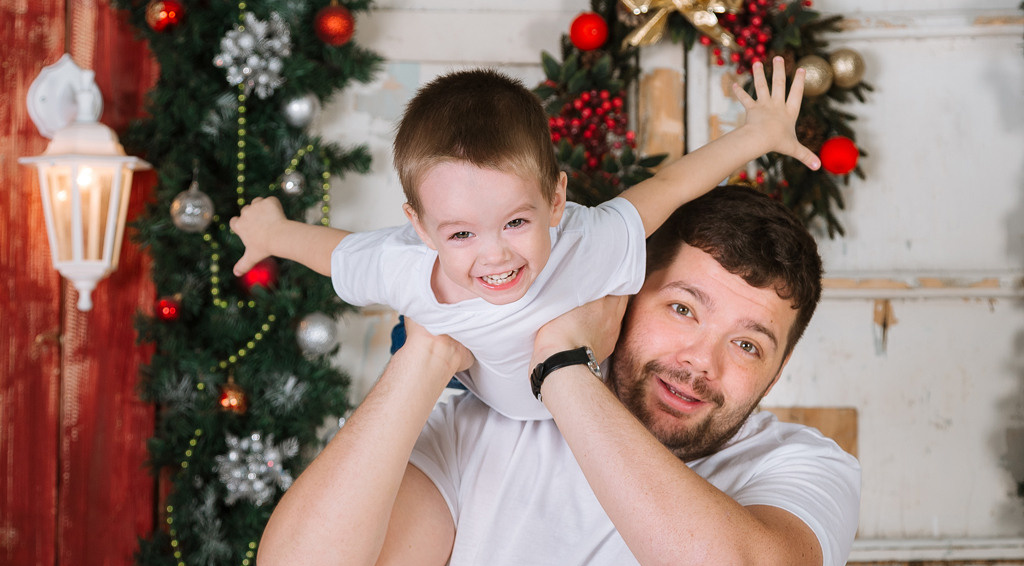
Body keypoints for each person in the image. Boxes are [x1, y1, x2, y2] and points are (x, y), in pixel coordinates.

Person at [251, 185, 861, 566]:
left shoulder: (802, 469)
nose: (703, 361)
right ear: (620, 294)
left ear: (775, 375)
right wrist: (428, 351)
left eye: (748, 344)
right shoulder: (477, 435)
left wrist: (563, 368)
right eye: (682, 309)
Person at [229, 57, 820, 419]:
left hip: (580, 396)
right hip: (473, 392)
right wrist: (275, 233)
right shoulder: (405, 266)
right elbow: (337, 256)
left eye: (516, 222)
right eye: (460, 233)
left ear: (556, 200)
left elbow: (670, 184)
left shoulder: (588, 239)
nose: (495, 255)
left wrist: (756, 135)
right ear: (420, 227)